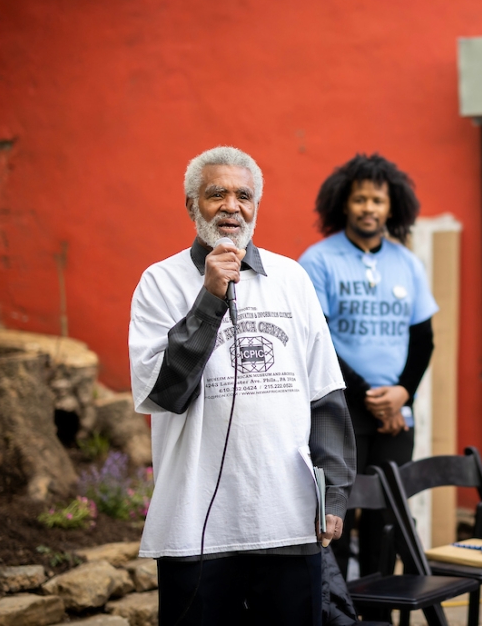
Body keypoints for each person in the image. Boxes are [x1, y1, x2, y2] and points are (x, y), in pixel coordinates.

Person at [129, 146, 355, 625]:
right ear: (191, 205)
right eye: (216, 194)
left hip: (288, 515)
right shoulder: (159, 283)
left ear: (256, 207)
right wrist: (209, 298)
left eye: (244, 195)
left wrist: (333, 491)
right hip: (196, 527)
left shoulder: (292, 278)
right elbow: (166, 393)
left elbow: (326, 396)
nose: (232, 205)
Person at [299, 153, 437, 578]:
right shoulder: (318, 261)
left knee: (387, 522)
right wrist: (369, 397)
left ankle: (382, 616)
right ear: (344, 204)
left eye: (377, 200)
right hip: (340, 407)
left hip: (394, 412)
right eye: (360, 199)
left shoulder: (407, 263)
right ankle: (336, 614)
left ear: (391, 207)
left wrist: (401, 394)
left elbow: (423, 340)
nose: (368, 208)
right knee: (336, 519)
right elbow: (316, 341)